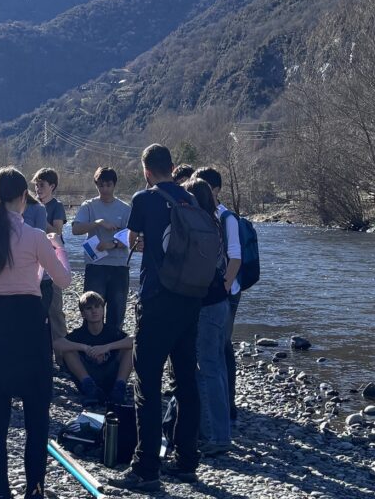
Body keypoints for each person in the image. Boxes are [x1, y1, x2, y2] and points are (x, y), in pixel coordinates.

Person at [0, 167, 71, 499]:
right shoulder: (35, 236)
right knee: (36, 415)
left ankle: (0, 491)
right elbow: (64, 279)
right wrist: (58, 248)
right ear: (24, 197)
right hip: (29, 325)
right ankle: (34, 490)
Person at [108, 144, 201, 492]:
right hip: (189, 298)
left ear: (146, 171)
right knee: (186, 380)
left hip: (157, 299)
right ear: (173, 167)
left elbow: (133, 239)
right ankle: (187, 461)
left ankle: (146, 468)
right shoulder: (191, 198)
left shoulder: (144, 198)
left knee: (147, 384)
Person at [185, 174, 231, 455]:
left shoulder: (199, 226)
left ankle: (217, 436)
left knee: (209, 369)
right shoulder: (216, 222)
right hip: (220, 301)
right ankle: (216, 431)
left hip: (207, 305)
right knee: (217, 368)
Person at [194, 167, 241, 422]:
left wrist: (223, 286)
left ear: (216, 190)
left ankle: (228, 405)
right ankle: (218, 409)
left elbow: (236, 257)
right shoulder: (204, 215)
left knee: (221, 349)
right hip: (215, 292)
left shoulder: (226, 217)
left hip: (226, 293)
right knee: (214, 351)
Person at [72, 166, 131, 331]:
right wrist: (98, 223)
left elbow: (132, 237)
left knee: (117, 313)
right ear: (96, 185)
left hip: (119, 266)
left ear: (114, 185)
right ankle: (91, 344)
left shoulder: (125, 209)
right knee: (91, 312)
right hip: (95, 266)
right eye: (101, 185)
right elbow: (76, 229)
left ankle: (114, 344)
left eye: (108, 185)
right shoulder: (88, 206)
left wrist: (112, 244)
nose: (104, 189)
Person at [54, 291, 132, 404]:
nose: (94, 311)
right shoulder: (79, 334)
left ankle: (120, 387)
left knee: (129, 348)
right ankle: (90, 387)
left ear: (103, 309)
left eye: (97, 306)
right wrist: (84, 348)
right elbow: (57, 344)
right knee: (68, 350)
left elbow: (134, 340)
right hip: (88, 380)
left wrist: (107, 347)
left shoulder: (111, 331)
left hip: (111, 380)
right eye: (89, 308)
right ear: (83, 314)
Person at [32, 167, 68, 341]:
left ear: (52, 186)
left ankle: (62, 352)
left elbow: (57, 233)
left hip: (52, 262)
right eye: (36, 185)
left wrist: (40, 217)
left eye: (42, 185)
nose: (38, 189)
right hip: (34, 261)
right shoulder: (30, 205)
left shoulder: (57, 206)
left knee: (55, 310)